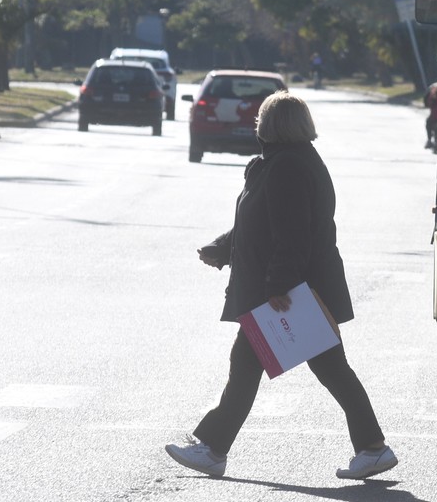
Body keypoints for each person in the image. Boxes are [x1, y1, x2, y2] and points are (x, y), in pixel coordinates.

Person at [165, 91, 397, 480]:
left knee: (283, 367)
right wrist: (223, 248)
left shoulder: (286, 166)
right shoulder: (287, 162)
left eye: (261, 118)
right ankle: (371, 447)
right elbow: (261, 223)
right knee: (315, 368)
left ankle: (214, 449)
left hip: (292, 294)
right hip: (294, 289)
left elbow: (292, 234)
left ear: (270, 125)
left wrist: (279, 287)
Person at [424, 76, 437, 152]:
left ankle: (429, 140)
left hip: (436, 117)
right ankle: (430, 140)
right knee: (429, 122)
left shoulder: (436, 91)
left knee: (429, 123)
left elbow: (428, 103)